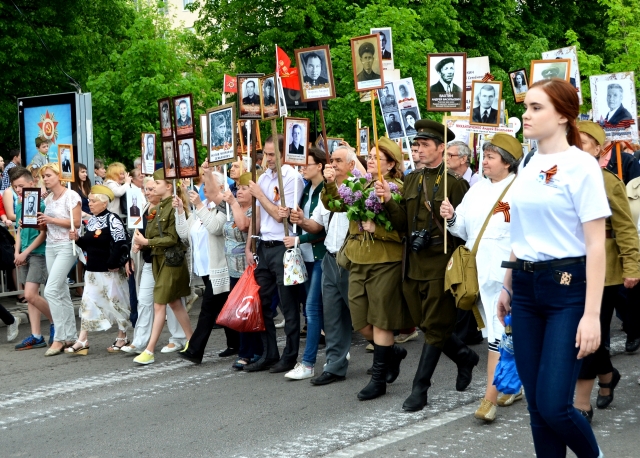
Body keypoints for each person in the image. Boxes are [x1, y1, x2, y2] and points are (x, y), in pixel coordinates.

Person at [496, 78, 607, 458]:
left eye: (536, 108)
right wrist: (508, 285)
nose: (525, 115)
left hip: (567, 290)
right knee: (536, 409)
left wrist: (592, 315)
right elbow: (521, 232)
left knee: (555, 405)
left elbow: (596, 244)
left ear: (563, 115)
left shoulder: (582, 166)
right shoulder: (527, 162)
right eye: (526, 107)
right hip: (526, 290)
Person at [376, 119, 479, 412]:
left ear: (441, 148)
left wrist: (449, 218)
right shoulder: (411, 180)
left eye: (423, 146)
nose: (417, 150)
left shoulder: (456, 185)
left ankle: (420, 388)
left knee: (435, 327)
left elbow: (462, 231)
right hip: (414, 262)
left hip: (440, 263)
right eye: (416, 145)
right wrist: (387, 202)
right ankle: (463, 356)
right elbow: (401, 226)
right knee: (423, 323)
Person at [440, 134, 523, 422]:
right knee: (499, 335)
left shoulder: (520, 189)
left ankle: (489, 400)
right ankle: (512, 385)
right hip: (479, 275)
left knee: (501, 337)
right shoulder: (475, 191)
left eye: (490, 157)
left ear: (508, 162)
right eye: (484, 156)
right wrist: (451, 217)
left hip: (510, 276)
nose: (484, 161)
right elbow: (462, 229)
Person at [322, 138, 411, 400]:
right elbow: (334, 205)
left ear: (392, 164)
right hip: (358, 258)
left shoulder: (398, 189)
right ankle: (392, 352)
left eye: (377, 158)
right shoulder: (359, 185)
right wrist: (329, 184)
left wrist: (378, 229)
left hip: (384, 261)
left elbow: (404, 227)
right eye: (369, 156)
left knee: (382, 319)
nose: (370, 160)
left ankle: (379, 378)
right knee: (359, 321)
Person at [572, 121, 640, 423]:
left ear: (599, 149)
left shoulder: (607, 181)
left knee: (590, 333)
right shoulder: (559, 178)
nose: (577, 146)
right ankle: (608, 374)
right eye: (574, 141)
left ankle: (581, 402)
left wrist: (632, 265)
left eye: (584, 142)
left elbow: (625, 228)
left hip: (606, 269)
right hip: (569, 266)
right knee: (579, 333)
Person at [290, 146, 355, 385]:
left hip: (353, 260)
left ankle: (386, 354)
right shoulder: (326, 193)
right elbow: (316, 225)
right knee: (333, 315)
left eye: (338, 160)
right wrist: (301, 221)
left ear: (350, 164)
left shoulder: (357, 188)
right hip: (330, 257)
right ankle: (334, 366)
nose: (334, 164)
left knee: (361, 317)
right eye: (332, 160)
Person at [243, 134, 304, 373]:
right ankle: (270, 353)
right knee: (264, 304)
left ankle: (290, 356)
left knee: (288, 305)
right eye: (265, 154)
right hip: (264, 246)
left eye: (272, 155)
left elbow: (281, 214)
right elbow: (257, 217)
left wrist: (259, 194)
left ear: (282, 154)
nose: (267, 159)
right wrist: (249, 246)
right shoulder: (264, 177)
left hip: (283, 245)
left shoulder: (291, 176)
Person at [176, 168, 239, 364]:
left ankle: (195, 350)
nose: (204, 188)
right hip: (204, 268)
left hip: (219, 267)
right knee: (221, 307)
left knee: (208, 309)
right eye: (204, 184)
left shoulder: (223, 209)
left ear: (220, 187)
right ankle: (235, 344)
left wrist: (199, 205)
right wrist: (180, 211)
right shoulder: (203, 207)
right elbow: (185, 234)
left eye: (207, 184)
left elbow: (215, 227)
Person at [131, 169, 193, 365]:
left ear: (168, 186)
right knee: (174, 303)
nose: (152, 187)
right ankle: (193, 341)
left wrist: (147, 241)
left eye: (156, 184)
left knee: (159, 304)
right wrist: (141, 242)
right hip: (159, 260)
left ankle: (149, 351)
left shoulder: (173, 206)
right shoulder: (156, 207)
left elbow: (173, 238)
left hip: (171, 260)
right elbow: (151, 232)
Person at [278, 147, 327, 380]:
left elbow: (321, 230)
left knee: (312, 309)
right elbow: (302, 220)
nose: (303, 168)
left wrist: (298, 238)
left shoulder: (326, 190)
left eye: (307, 164)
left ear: (319, 166)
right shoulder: (306, 189)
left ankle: (308, 363)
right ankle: (340, 349)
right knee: (320, 308)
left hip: (319, 255)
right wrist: (288, 213)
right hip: (305, 256)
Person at [66, 185, 131, 355]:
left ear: (104, 203)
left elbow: (120, 243)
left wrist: (112, 262)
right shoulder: (92, 221)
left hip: (110, 270)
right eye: (89, 200)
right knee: (88, 303)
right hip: (93, 271)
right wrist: (78, 239)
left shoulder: (113, 219)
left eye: (93, 201)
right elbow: (89, 244)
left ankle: (122, 336)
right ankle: (82, 340)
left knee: (116, 303)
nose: (90, 203)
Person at [37, 163, 82, 356]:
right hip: (51, 245)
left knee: (51, 289)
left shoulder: (71, 195)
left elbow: (77, 222)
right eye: (43, 176)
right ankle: (70, 336)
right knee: (61, 290)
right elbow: (46, 226)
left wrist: (51, 220)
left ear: (58, 175)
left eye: (48, 175)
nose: (45, 179)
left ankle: (59, 337)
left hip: (67, 245)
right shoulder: (48, 200)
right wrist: (34, 221)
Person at [11, 166, 54, 350]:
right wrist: (17, 251)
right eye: (15, 187)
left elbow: (43, 234)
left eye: (21, 186)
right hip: (24, 253)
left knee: (29, 293)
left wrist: (25, 252)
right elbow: (19, 230)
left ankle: (57, 322)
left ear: (32, 184)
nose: (18, 190)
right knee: (31, 297)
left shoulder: (42, 205)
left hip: (38, 253)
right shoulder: (20, 205)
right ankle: (36, 335)